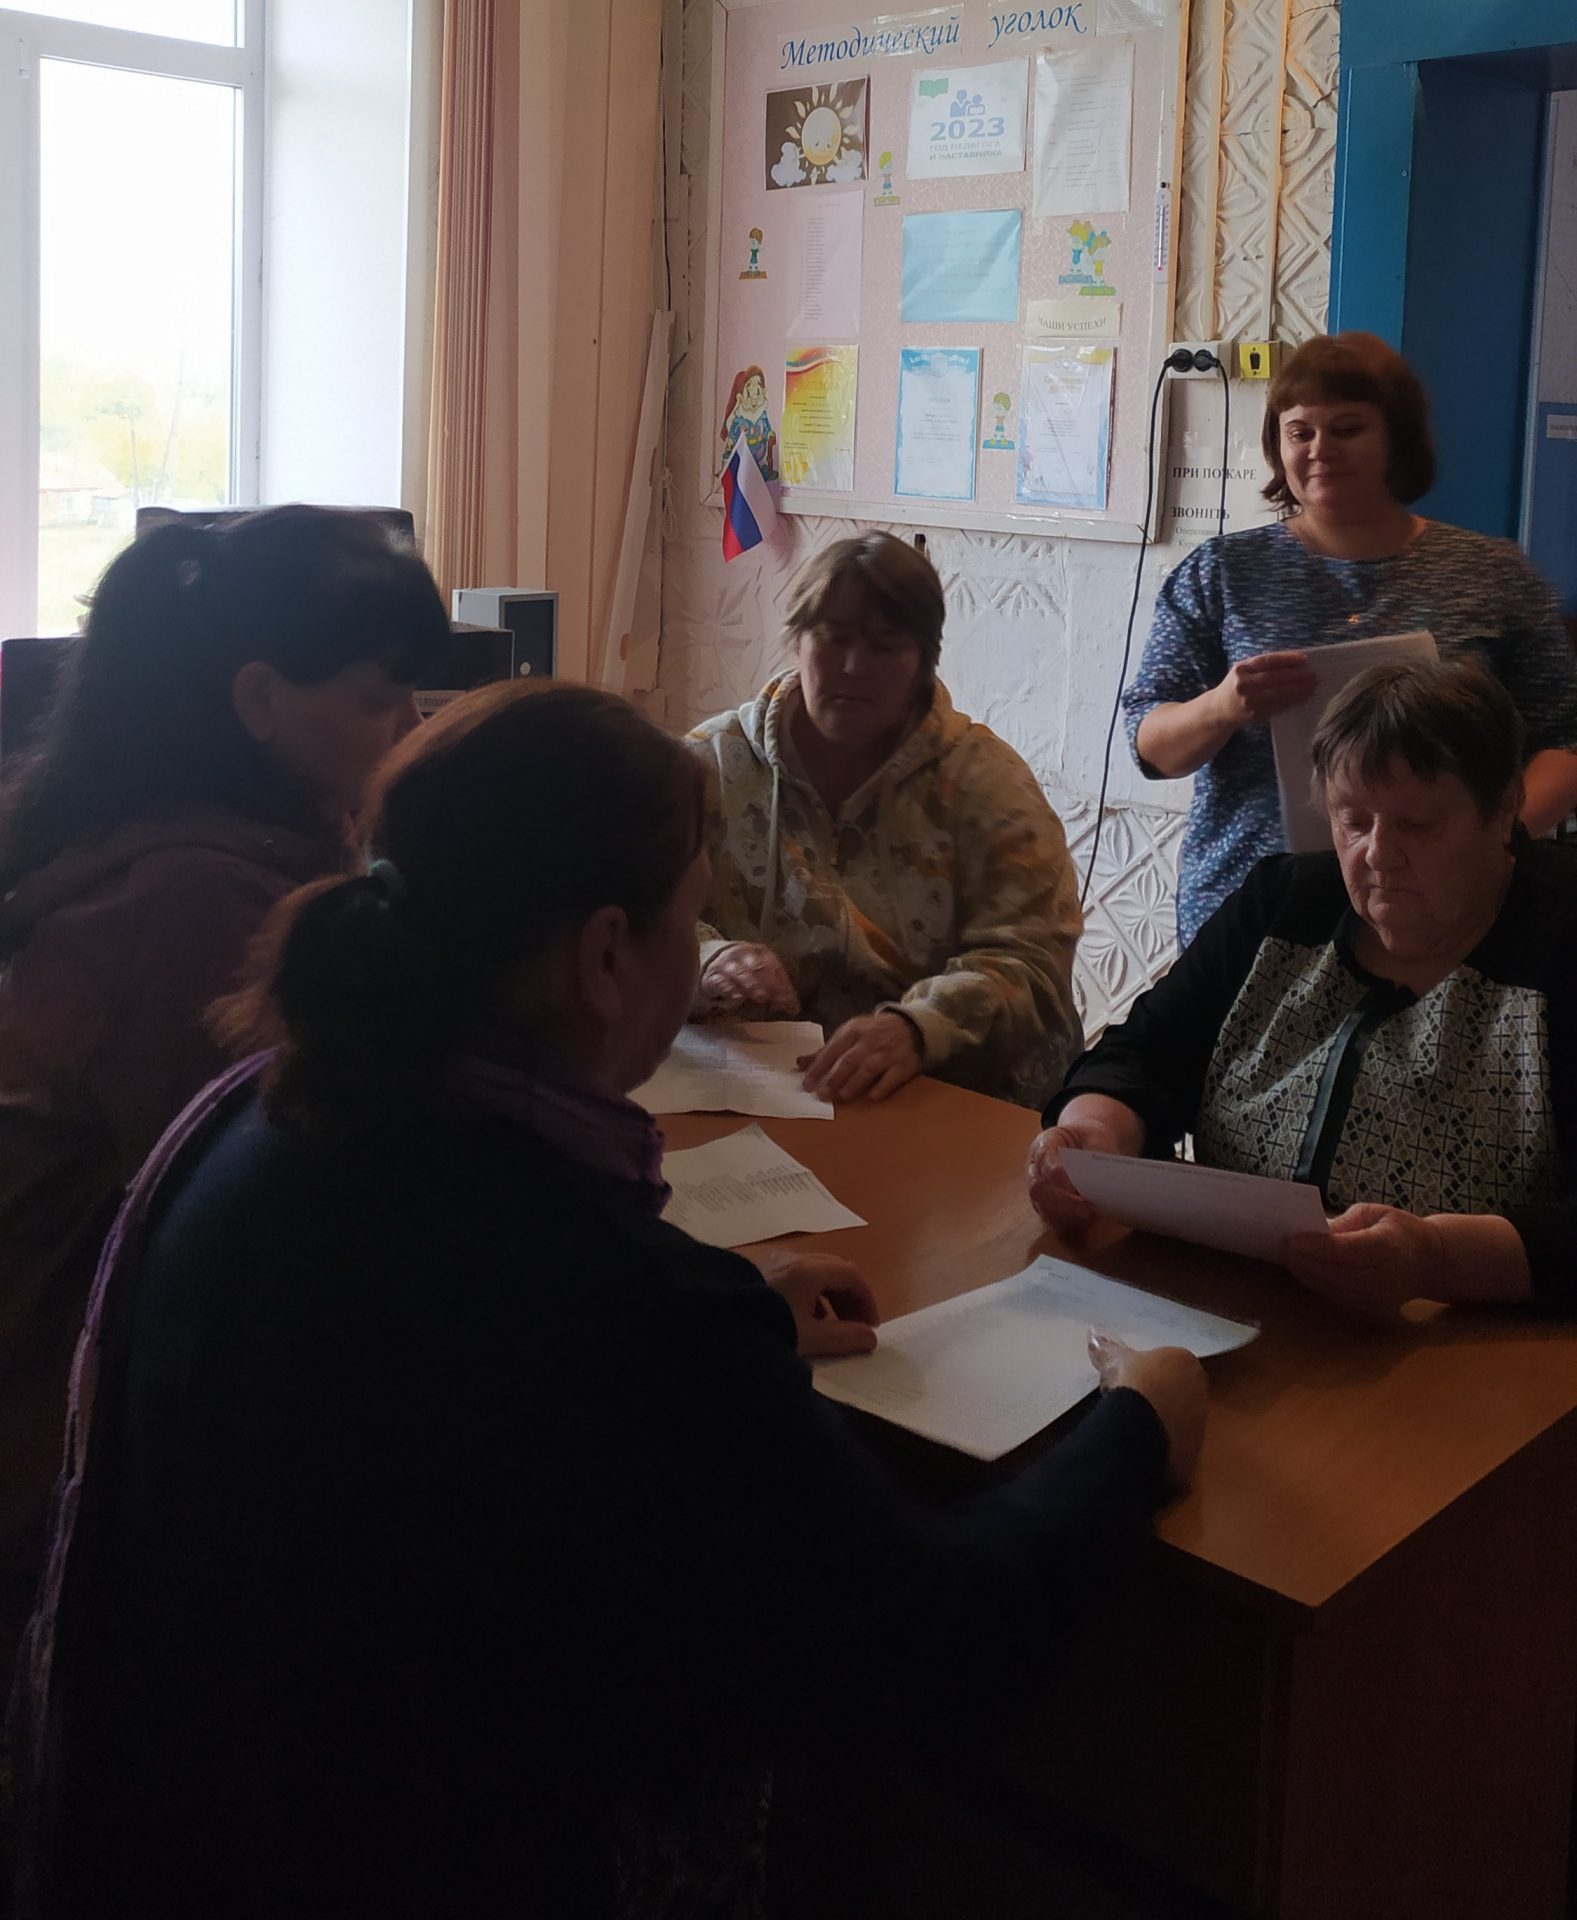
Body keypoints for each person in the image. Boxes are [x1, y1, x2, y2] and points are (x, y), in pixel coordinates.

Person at [14, 683, 1206, 1919]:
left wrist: (734, 1303)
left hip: (194, 1829)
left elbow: (463, 1356)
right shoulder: (615, 1304)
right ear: (602, 958)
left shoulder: (267, 1119)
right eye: (689, 914)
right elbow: (937, 1652)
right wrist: (1135, 1429)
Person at [0, 505, 446, 1710]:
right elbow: (297, 1229)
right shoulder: (196, 910)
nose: (412, 730)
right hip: (72, 1453)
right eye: (379, 700)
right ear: (259, 700)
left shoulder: (175, 833)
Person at [1030, 658, 1577, 1320]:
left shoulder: (1558, 939)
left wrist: (1435, 1258)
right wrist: (1090, 1137)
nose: (1378, 853)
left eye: (1417, 825)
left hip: (1462, 1342)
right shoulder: (1284, 903)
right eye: (1353, 820)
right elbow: (1142, 1053)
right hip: (1225, 1301)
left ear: (1503, 811)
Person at [1123, 331, 1577, 945]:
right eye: (1300, 432)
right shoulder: (1221, 572)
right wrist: (1222, 707)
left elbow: (1565, 740)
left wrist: (1491, 841)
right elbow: (1150, 745)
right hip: (1252, 904)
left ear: (1397, 439)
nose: (1320, 449)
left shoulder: (1492, 574)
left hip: (1443, 907)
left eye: (1347, 428)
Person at [687, 532, 1084, 1108]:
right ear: (796, 641)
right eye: (834, 639)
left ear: (922, 662)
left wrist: (919, 1027)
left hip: (942, 1099)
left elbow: (1034, 966)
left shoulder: (988, 786)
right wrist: (709, 958)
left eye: (885, 646)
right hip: (757, 1085)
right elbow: (625, 913)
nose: (854, 667)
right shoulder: (709, 766)